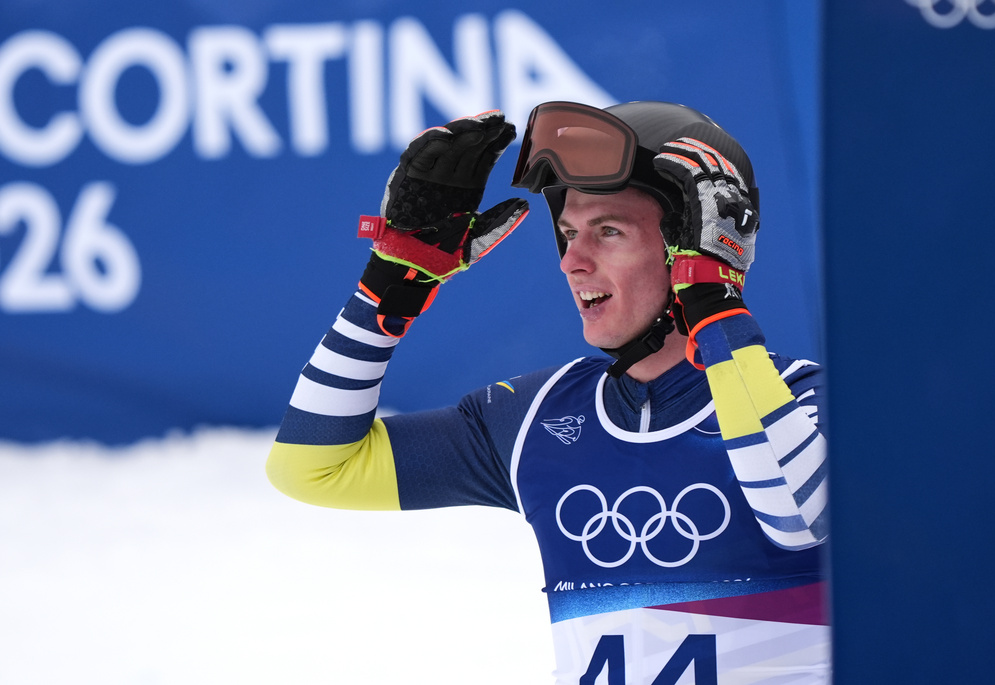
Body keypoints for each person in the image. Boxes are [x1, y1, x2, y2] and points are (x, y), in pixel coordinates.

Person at [266, 101, 830, 684]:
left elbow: (799, 515)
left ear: (697, 245)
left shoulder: (813, 404)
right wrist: (393, 281)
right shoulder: (535, 417)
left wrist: (715, 303)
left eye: (609, 232)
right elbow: (311, 467)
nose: (573, 263)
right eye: (567, 234)